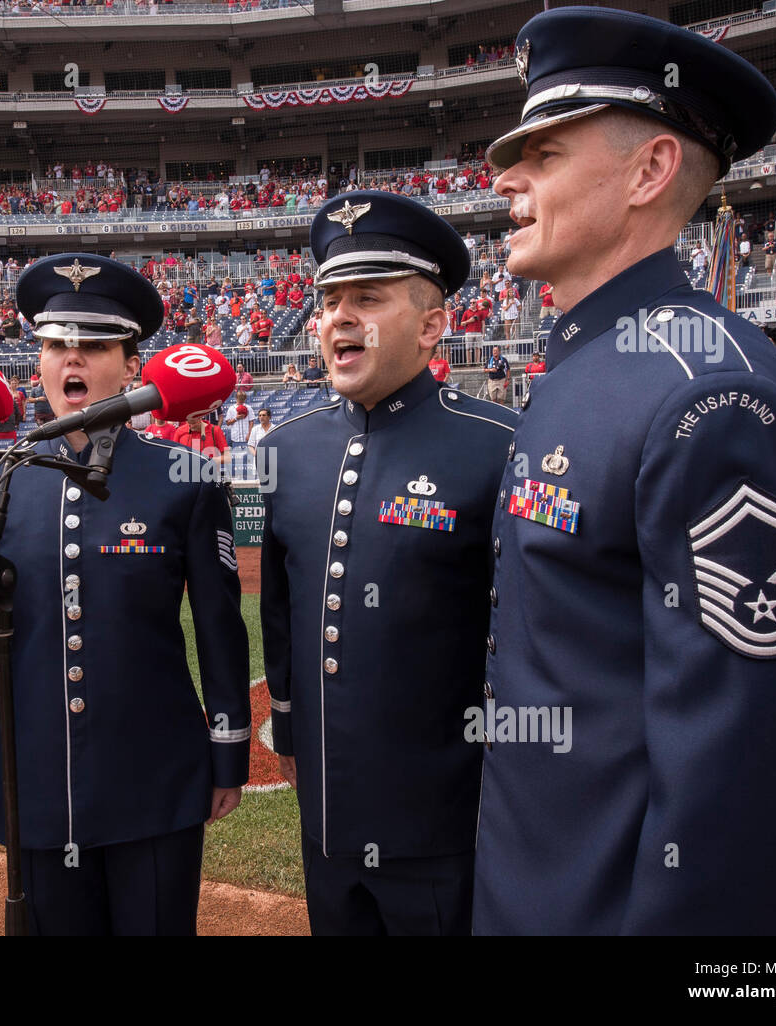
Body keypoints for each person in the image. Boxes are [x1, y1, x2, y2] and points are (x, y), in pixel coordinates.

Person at [474, 7, 776, 935]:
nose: (506, 181)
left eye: (544, 156)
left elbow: (756, 772)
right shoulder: (591, 365)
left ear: (650, 170)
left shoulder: (713, 395)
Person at [0, 254, 250, 935]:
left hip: (155, 781)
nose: (74, 359)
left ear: (131, 366)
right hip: (31, 780)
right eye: (58, 344)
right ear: (38, 361)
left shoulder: (185, 476)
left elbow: (219, 623)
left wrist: (229, 748)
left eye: (95, 345)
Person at [258, 190, 518, 935]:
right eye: (328, 299)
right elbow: (279, 613)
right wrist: (289, 731)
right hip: (329, 827)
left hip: (445, 830)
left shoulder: (499, 444)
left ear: (433, 324)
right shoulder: (284, 451)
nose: (339, 316)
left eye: (367, 298)